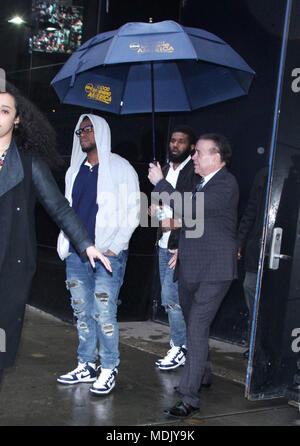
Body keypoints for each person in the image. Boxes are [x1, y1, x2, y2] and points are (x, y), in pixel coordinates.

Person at [0, 82, 111, 386]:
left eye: (4, 111)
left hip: (9, 266)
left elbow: (60, 208)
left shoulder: (29, 164)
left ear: (17, 118)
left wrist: (86, 244)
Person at [148, 133, 239, 418]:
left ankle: (189, 397)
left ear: (218, 157)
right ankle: (203, 374)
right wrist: (182, 250)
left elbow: (190, 209)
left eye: (199, 153)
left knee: (197, 328)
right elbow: (195, 223)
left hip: (215, 271)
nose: (194, 157)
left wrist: (161, 183)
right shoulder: (203, 184)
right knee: (193, 327)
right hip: (191, 265)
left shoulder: (226, 183)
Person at [56, 114, 140, 396]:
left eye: (89, 129)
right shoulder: (73, 170)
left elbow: (133, 211)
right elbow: (66, 209)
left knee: (104, 312)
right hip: (77, 255)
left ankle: (109, 367)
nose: (83, 134)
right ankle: (86, 364)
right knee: (81, 313)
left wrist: (116, 245)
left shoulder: (120, 167)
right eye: (80, 130)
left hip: (108, 255)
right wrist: (66, 244)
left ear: (101, 132)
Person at [149, 125, 198, 371]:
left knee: (172, 298)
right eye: (172, 141)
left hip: (181, 244)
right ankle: (180, 344)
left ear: (190, 147)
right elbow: (158, 206)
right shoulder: (165, 169)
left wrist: (174, 224)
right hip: (162, 243)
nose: (175, 145)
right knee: (169, 298)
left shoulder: (195, 173)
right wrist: (153, 213)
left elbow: (193, 212)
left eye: (181, 141)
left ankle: (181, 347)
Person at [237, 168, 268, 358]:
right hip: (256, 248)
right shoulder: (263, 174)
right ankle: (255, 346)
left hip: (284, 250)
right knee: (251, 289)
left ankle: (266, 348)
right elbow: (250, 211)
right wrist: (240, 241)